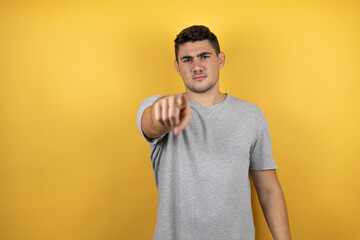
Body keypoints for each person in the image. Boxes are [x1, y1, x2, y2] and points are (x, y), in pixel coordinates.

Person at [136, 25, 291, 240]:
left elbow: (269, 191)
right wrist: (166, 112)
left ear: (220, 59)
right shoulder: (155, 104)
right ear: (177, 67)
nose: (196, 66)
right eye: (187, 60)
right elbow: (152, 123)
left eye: (204, 56)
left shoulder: (251, 115)